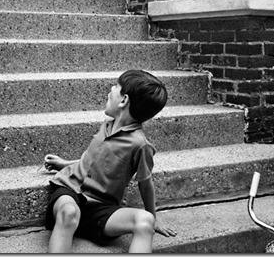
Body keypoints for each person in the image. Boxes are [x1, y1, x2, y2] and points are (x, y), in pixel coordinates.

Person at [43, 69, 176, 253]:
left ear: (124, 100)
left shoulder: (141, 145)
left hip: (101, 209)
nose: (110, 89)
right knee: (69, 213)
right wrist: (64, 164)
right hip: (70, 191)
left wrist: (153, 217)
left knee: (145, 221)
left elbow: (146, 184)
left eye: (116, 86)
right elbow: (93, 158)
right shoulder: (106, 124)